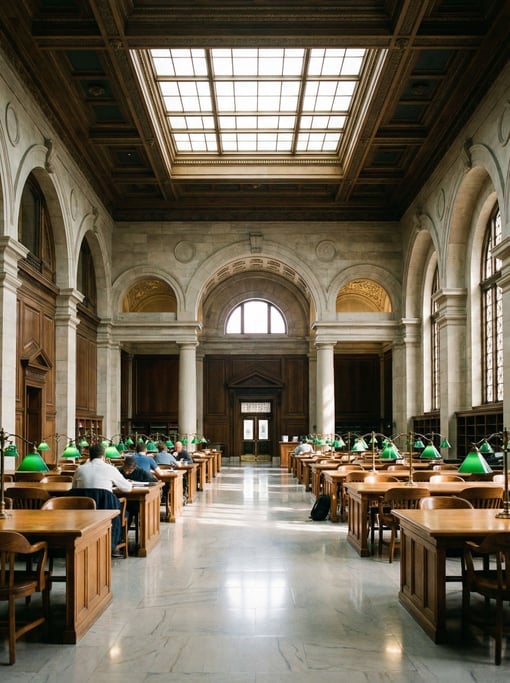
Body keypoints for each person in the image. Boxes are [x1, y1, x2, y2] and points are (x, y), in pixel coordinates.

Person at [71, 443, 132, 557]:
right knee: (125, 512)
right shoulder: (109, 468)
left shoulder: (80, 469)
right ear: (103, 456)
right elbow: (127, 488)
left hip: (83, 511)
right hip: (105, 508)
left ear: (90, 455)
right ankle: (113, 545)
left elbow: (74, 488)